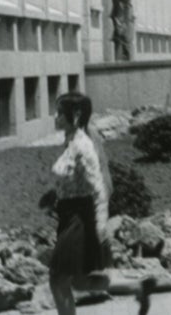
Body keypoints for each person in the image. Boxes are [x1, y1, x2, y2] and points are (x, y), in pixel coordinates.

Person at [48, 92, 112, 315]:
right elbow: (72, 179)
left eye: (59, 113)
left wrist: (100, 226)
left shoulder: (83, 146)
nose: (55, 117)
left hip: (79, 219)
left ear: (74, 115)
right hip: (67, 216)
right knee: (77, 282)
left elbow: (98, 188)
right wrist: (54, 197)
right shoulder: (70, 141)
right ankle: (138, 288)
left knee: (57, 278)